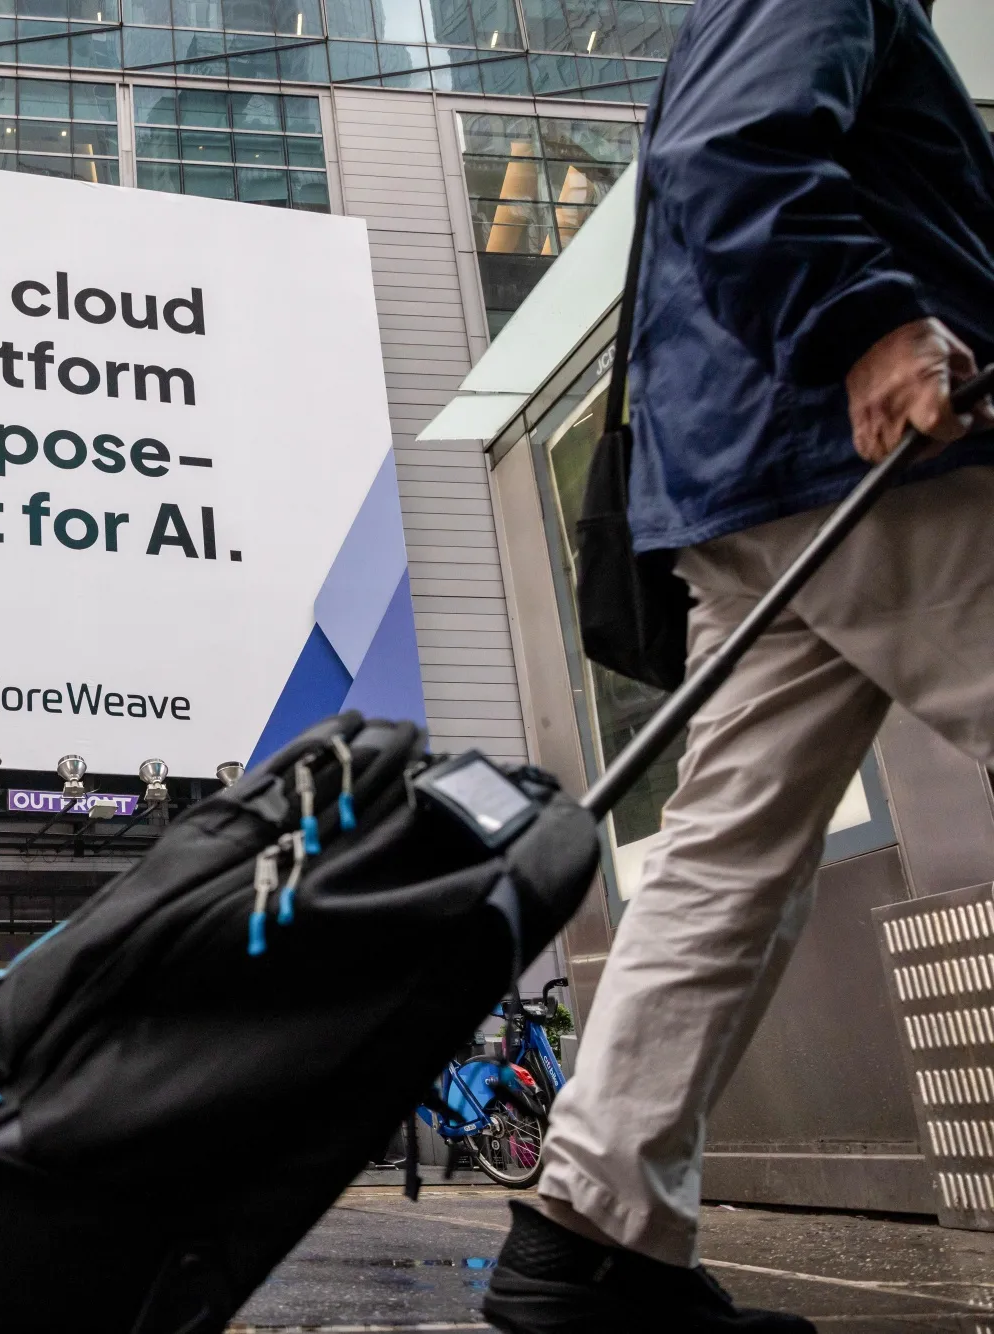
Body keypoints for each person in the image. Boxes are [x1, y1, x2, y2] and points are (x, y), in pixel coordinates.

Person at [483, 2, 994, 1331]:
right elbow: (727, 149)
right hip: (865, 452)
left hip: (748, 481)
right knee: (724, 858)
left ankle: (589, 1242)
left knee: (721, 862)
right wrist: (869, 322)